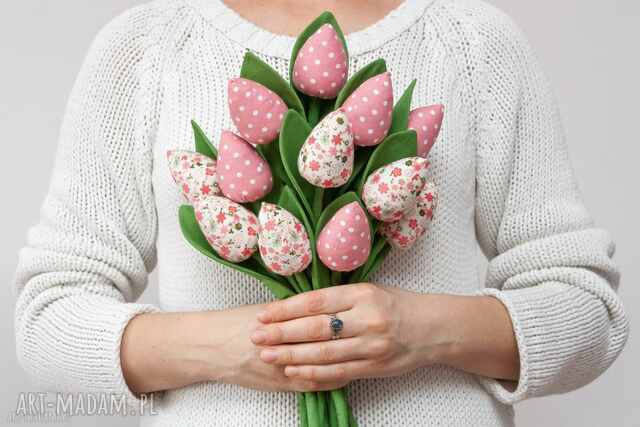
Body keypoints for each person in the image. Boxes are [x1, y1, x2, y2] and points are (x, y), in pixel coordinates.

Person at [12, 0, 629, 426]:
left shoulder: (474, 44)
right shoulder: (144, 48)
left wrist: (420, 330)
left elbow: (588, 313)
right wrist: (238, 347)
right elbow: (47, 320)